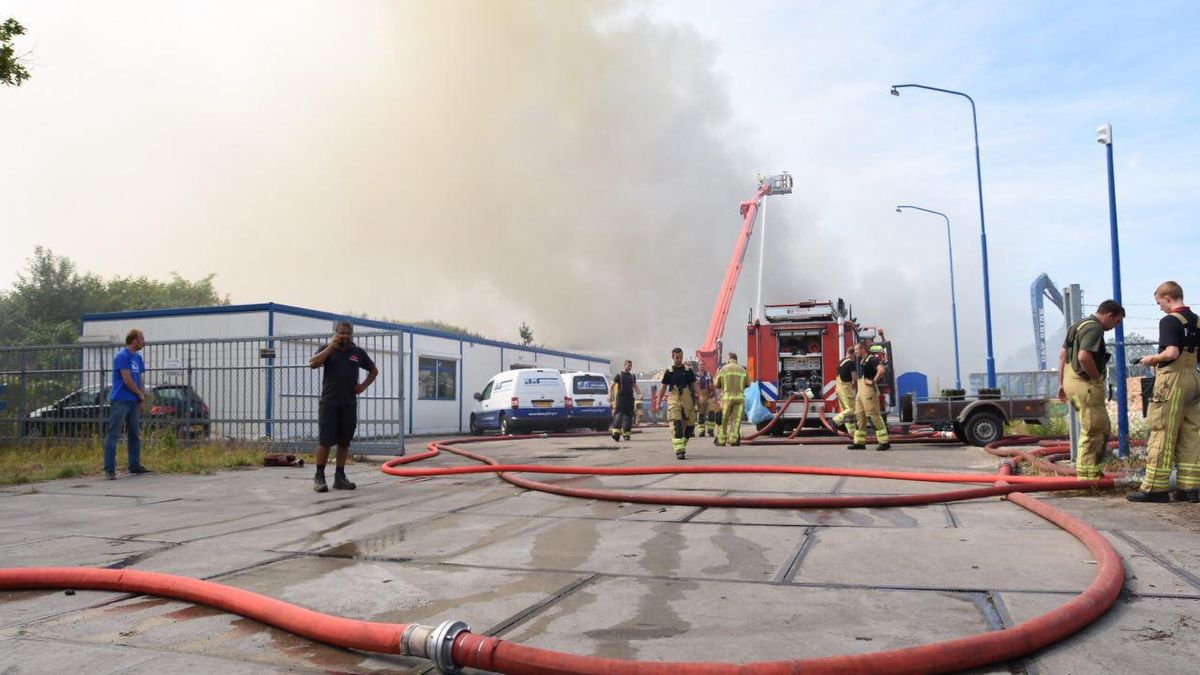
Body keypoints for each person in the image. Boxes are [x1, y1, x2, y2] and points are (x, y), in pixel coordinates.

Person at [1128, 283, 1199, 502]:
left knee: (1163, 430)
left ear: (1167, 298)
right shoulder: (1197, 320)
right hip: (1194, 378)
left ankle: (1155, 489)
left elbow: (1172, 352)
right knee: (1192, 432)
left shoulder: (1169, 321)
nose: (1160, 307)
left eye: (1159, 302)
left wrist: (1151, 359)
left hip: (1172, 380)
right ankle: (1190, 488)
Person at [1057, 300, 1125, 482]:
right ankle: (1088, 477)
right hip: (1085, 385)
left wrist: (1061, 383)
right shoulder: (1095, 329)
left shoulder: (1078, 325)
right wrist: (1096, 378)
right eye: (1116, 321)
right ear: (1109, 315)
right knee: (1095, 428)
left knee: (1095, 426)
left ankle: (1089, 472)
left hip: (1071, 382)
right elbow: (1083, 357)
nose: (1115, 326)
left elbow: (1063, 355)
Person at [309, 321, 378, 492]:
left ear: (351, 334)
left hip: (348, 404)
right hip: (329, 403)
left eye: (348, 333)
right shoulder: (327, 349)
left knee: (344, 442)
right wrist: (330, 348)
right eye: (342, 333)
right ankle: (319, 476)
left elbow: (374, 370)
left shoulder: (357, 352)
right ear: (336, 333)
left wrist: (363, 386)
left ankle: (340, 477)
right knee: (325, 441)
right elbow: (313, 363)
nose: (345, 336)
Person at [103, 329, 151, 479]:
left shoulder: (138, 358)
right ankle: (109, 469)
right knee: (114, 435)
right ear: (134, 340)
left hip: (133, 402)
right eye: (141, 339)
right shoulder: (122, 356)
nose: (144, 342)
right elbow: (127, 379)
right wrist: (139, 394)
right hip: (120, 400)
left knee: (134, 434)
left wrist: (141, 398)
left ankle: (134, 466)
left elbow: (139, 379)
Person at [656, 347, 699, 460]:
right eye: (677, 358)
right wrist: (658, 402)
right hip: (674, 399)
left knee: (690, 427)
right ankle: (680, 451)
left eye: (681, 357)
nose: (679, 360)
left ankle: (681, 445)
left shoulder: (688, 371)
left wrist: (701, 396)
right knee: (677, 425)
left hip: (687, 400)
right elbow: (663, 388)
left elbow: (695, 385)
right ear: (672, 357)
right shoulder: (669, 372)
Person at [849, 343, 890, 451]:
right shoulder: (861, 360)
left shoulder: (871, 359)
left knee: (873, 416)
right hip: (860, 391)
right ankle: (859, 443)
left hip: (868, 391)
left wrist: (874, 381)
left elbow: (882, 370)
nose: (855, 352)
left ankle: (884, 442)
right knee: (859, 416)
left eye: (857, 349)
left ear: (863, 349)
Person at [714, 352, 749, 447]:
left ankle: (721, 440)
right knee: (736, 420)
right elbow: (748, 383)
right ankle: (734, 440)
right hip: (739, 398)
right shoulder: (742, 370)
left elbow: (716, 384)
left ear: (729, 359)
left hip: (727, 398)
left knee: (722, 419)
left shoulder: (724, 369)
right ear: (736, 359)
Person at [829, 345, 859, 439]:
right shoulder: (850, 362)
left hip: (838, 388)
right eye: (855, 355)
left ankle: (852, 433)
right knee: (851, 409)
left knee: (846, 412)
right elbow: (854, 378)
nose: (855, 357)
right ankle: (834, 421)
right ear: (851, 353)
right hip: (846, 388)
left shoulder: (841, 362)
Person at [609, 359, 642, 442]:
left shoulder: (632, 376)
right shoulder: (619, 375)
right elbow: (612, 386)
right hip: (621, 398)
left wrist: (640, 394)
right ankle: (616, 433)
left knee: (629, 416)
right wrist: (609, 395)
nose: (630, 367)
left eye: (631, 366)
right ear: (624, 365)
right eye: (628, 365)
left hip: (630, 398)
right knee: (619, 415)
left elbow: (635, 386)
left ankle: (626, 434)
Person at [694, 361, 718, 437]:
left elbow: (713, 386)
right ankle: (702, 431)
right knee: (701, 415)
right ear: (698, 366)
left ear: (704, 366)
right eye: (700, 365)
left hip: (709, 396)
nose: (702, 366)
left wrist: (715, 396)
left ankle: (710, 430)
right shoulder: (695, 375)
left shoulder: (708, 375)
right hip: (700, 397)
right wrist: (697, 397)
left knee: (711, 412)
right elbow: (694, 387)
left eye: (703, 365)